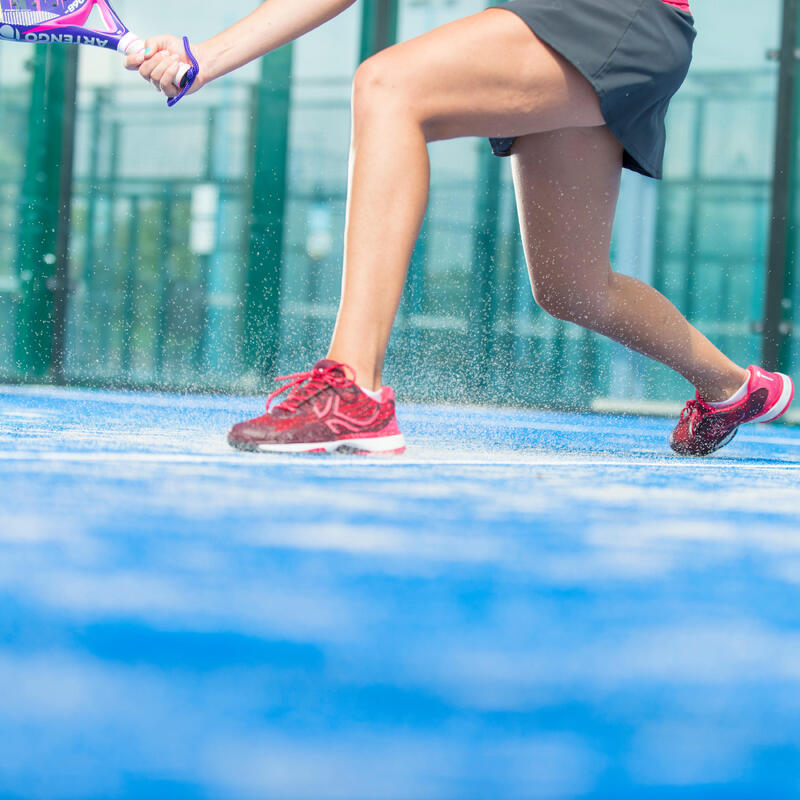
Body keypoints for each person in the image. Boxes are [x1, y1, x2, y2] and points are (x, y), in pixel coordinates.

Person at [127, 0, 794, 457]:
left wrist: (208, 53)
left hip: (612, 14)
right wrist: (207, 54)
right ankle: (733, 388)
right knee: (571, 285)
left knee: (389, 86)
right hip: (617, 26)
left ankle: (352, 386)